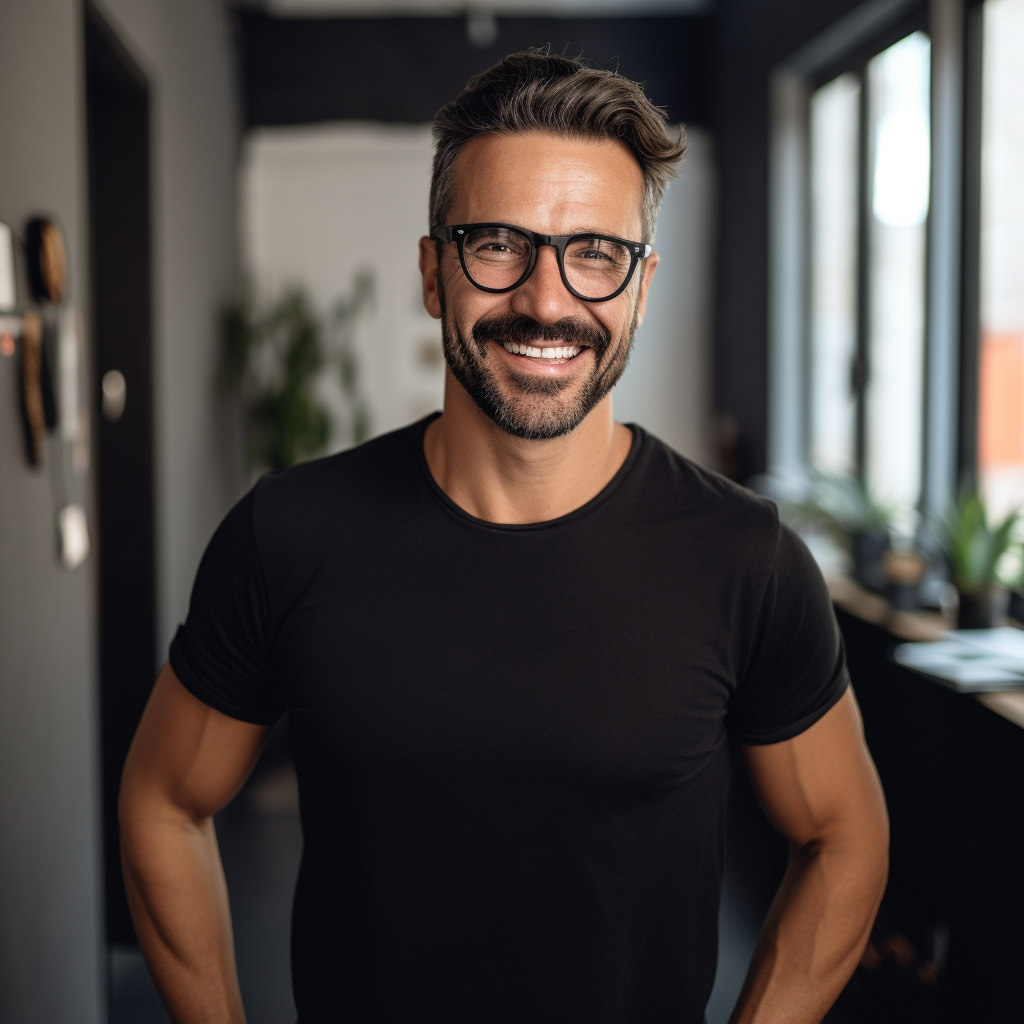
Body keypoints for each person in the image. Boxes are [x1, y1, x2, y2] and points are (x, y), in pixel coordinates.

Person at [119, 50, 888, 1024]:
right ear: (433, 270)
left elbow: (844, 833)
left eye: (594, 253)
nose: (547, 299)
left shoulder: (746, 560)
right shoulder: (289, 534)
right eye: (496, 244)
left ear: (642, 287)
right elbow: (161, 799)